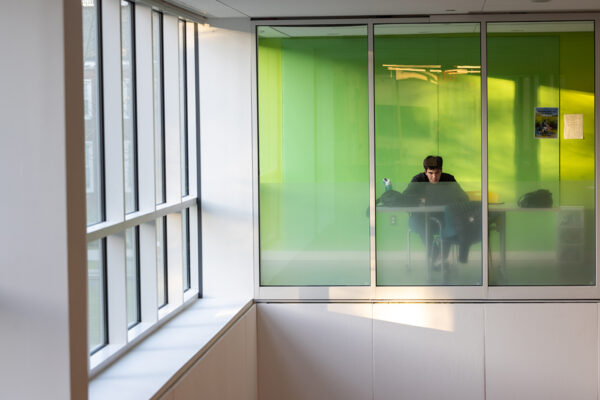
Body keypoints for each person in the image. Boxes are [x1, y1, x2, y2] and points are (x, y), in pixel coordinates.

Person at [403, 155, 469, 267]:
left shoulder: (449, 179)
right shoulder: (418, 180)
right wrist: (420, 199)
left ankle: (441, 256)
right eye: (430, 173)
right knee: (420, 223)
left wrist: (451, 200)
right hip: (422, 219)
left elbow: (464, 198)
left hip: (443, 218)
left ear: (441, 171)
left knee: (451, 222)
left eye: (437, 173)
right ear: (425, 171)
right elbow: (405, 198)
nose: (434, 177)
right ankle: (436, 254)